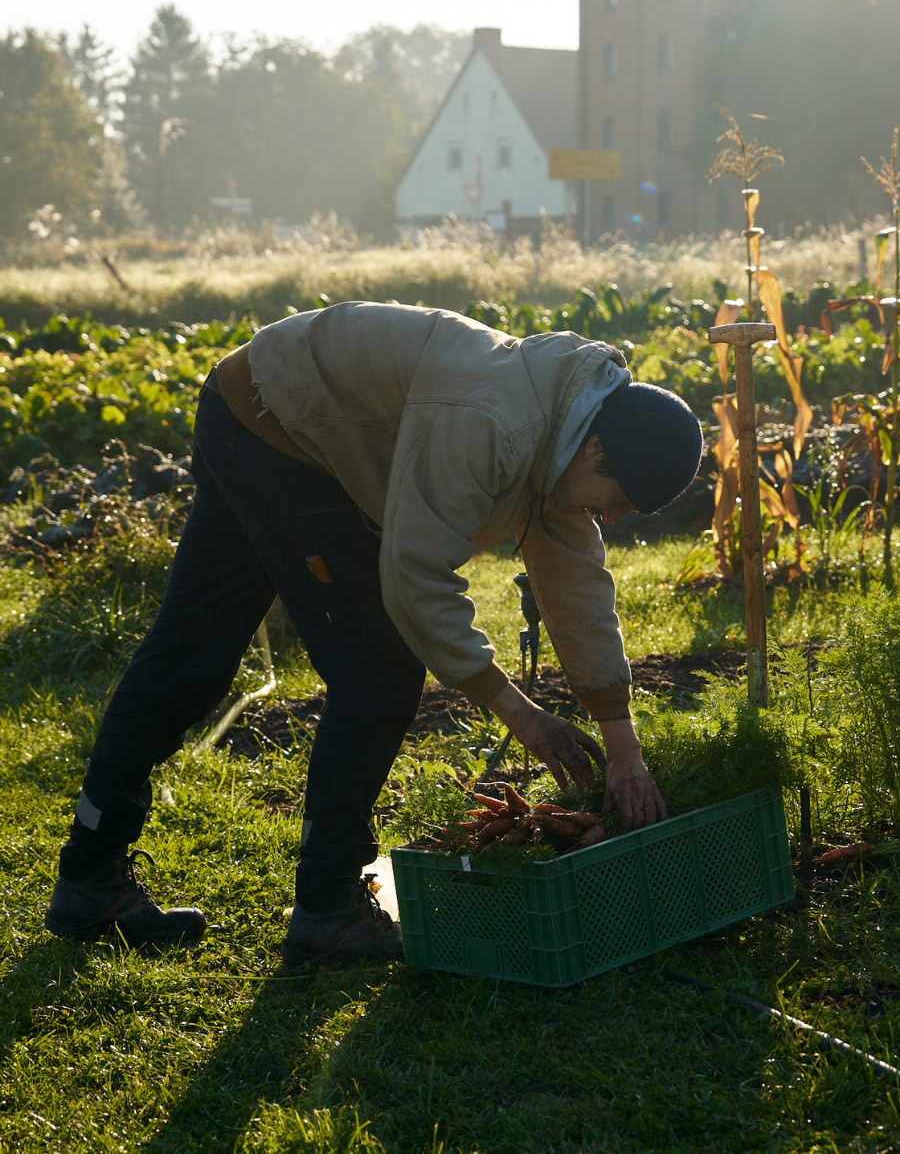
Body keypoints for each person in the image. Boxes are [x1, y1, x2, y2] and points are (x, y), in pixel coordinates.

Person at [46, 303, 704, 963]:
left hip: (261, 410)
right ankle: (328, 909)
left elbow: (577, 585)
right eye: (619, 499)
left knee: (191, 656)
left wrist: (622, 744)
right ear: (596, 449)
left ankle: (90, 881)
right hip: (281, 428)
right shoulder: (491, 422)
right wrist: (520, 713)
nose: (613, 518)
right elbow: (415, 578)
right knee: (379, 670)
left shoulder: (570, 428)